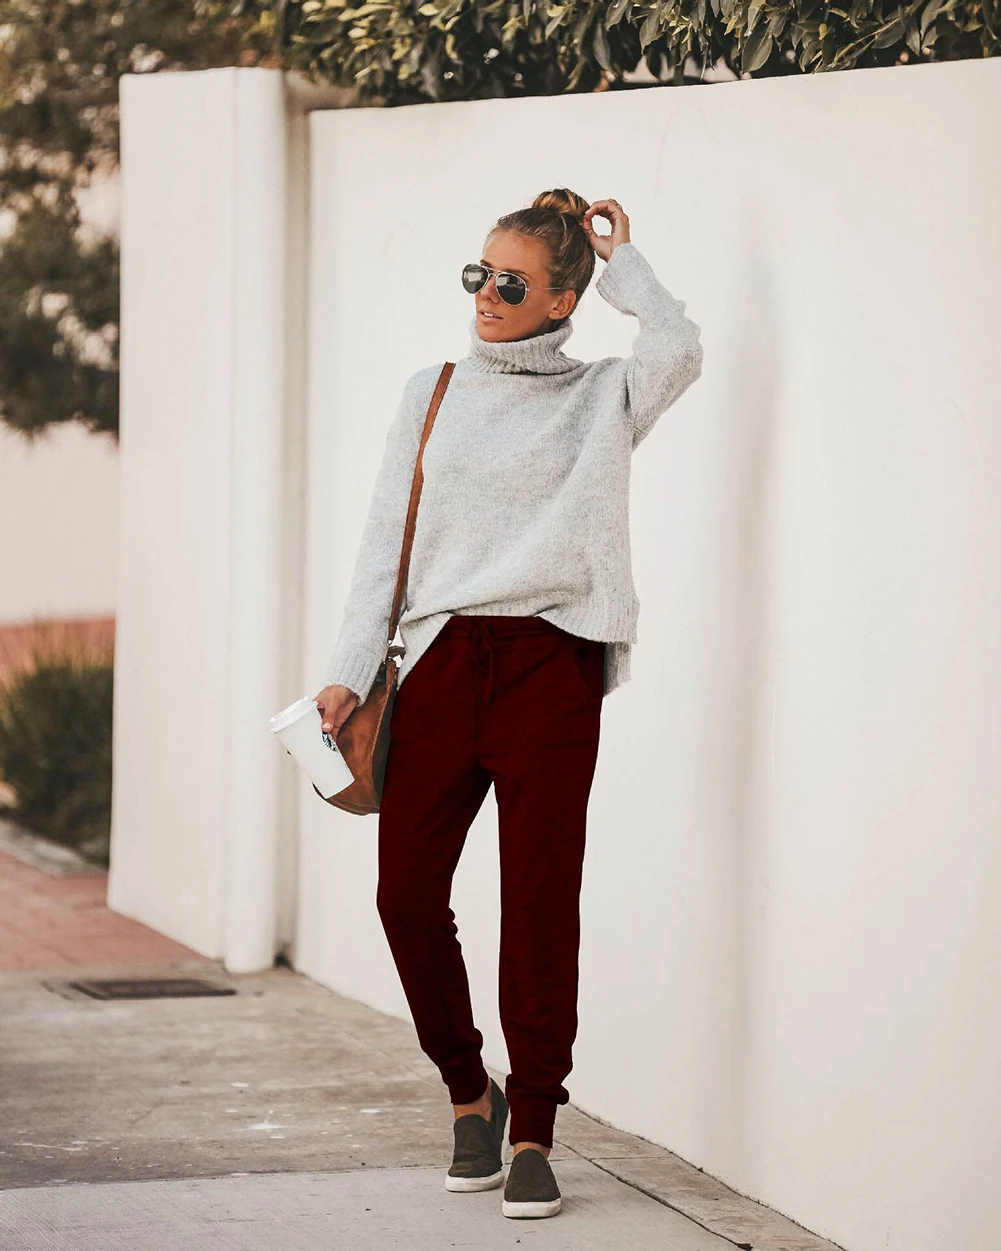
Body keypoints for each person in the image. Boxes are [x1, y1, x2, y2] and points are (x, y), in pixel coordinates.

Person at [313, 189, 704, 1220]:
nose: (485, 294)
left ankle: (532, 1127)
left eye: (511, 282)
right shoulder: (432, 390)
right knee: (404, 895)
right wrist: (348, 666)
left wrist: (624, 263)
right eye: (478, 274)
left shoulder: (604, 396)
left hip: (550, 667)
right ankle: (466, 1093)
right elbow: (381, 542)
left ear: (562, 298)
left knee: (537, 904)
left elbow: (678, 346)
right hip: (442, 663)